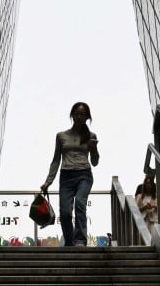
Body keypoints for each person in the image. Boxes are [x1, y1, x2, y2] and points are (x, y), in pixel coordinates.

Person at [40, 101, 100, 247]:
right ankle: (69, 242)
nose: (80, 116)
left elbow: (95, 162)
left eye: (83, 114)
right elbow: (56, 160)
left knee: (80, 203)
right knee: (65, 213)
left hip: (84, 175)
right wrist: (48, 181)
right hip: (66, 176)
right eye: (77, 113)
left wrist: (94, 149)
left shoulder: (91, 135)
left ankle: (80, 240)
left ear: (87, 117)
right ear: (72, 115)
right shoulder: (61, 136)